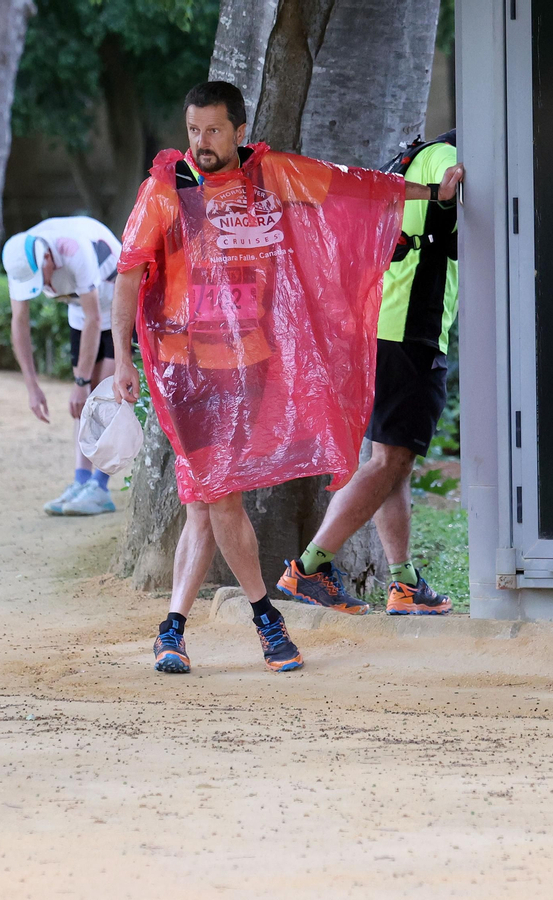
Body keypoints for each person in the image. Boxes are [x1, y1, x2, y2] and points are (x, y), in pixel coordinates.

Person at [112, 81, 462, 674]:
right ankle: (267, 619)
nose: (202, 143)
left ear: (240, 131)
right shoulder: (166, 191)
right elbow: (128, 274)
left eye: (214, 131)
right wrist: (122, 358)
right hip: (186, 373)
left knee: (206, 502)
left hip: (248, 368)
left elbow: (353, 190)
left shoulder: (269, 177)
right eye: (194, 131)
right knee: (219, 495)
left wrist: (430, 191)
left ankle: (172, 629)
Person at [279, 132, 464, 616]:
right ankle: (310, 568)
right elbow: (456, 238)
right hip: (411, 328)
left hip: (381, 322)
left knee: (393, 461)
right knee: (389, 462)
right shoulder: (450, 163)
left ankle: (403, 582)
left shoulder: (410, 157)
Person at [1, 216, 123, 516]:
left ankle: (100, 487)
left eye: (39, 277)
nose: (41, 286)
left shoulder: (73, 249)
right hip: (81, 312)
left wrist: (80, 383)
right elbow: (19, 322)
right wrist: (32, 387)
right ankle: (81, 481)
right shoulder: (19, 258)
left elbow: (98, 320)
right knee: (82, 406)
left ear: (46, 257)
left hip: (118, 302)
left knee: (102, 397)